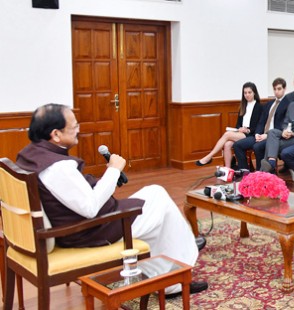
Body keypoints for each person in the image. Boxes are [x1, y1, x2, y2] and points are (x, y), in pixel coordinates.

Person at [15, 104, 208, 297]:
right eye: (74, 127)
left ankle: (172, 260)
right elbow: (90, 208)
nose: (78, 131)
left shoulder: (30, 155)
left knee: (154, 193)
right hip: (89, 231)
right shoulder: (58, 168)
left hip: (76, 224)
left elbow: (73, 195)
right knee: (161, 205)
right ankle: (174, 277)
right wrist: (114, 169)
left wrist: (109, 178)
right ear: (55, 134)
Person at [196, 82, 263, 168]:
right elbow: (238, 124)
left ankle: (209, 157)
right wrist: (239, 128)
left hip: (251, 134)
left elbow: (258, 126)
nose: (247, 95)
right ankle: (227, 169)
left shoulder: (259, 107)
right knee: (227, 144)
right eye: (245, 93)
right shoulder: (243, 106)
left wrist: (247, 130)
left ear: (254, 93)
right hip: (241, 133)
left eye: (249, 92)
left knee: (227, 134)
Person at [233, 78, 290, 170]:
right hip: (261, 135)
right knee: (237, 145)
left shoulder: (288, 104)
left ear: (284, 89)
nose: (276, 92)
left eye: (279, 89)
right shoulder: (270, 103)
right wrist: (257, 134)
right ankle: (245, 172)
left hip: (274, 136)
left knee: (257, 147)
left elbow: (284, 125)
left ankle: (262, 173)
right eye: (275, 89)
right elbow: (261, 121)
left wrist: (267, 135)